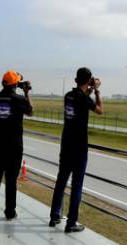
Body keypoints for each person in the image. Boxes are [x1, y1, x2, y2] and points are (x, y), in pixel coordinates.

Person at [49, 68, 102, 232]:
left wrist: (88, 89)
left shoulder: (68, 96)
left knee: (61, 181)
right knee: (77, 186)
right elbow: (99, 110)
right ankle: (71, 222)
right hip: (79, 147)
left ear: (75, 80)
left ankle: (55, 216)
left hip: (66, 144)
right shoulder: (83, 98)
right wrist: (97, 91)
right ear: (89, 81)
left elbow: (81, 98)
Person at [0, 70, 33, 220]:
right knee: (11, 181)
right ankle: (10, 212)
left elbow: (4, 95)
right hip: (14, 147)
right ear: (15, 85)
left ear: (2, 83)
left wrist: (14, 85)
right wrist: (25, 92)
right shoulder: (19, 99)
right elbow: (30, 112)